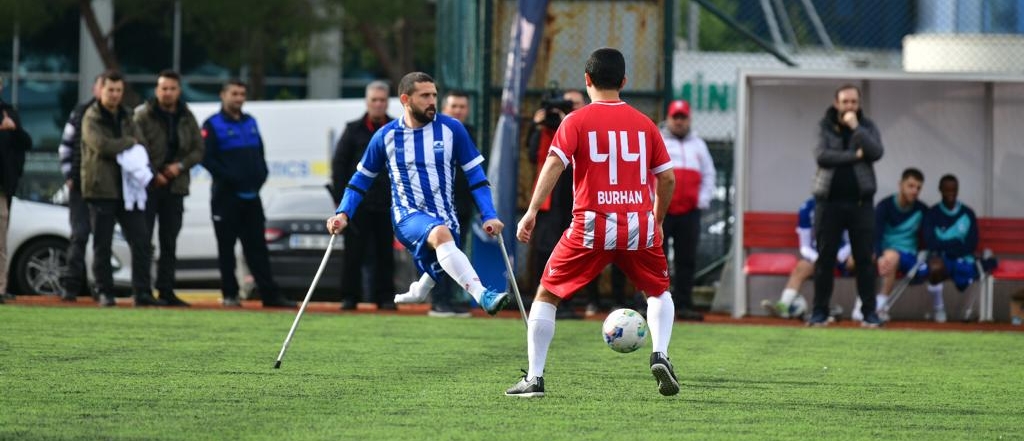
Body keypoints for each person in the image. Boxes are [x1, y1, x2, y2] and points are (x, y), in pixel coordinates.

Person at [508, 47, 679, 398]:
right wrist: (657, 219)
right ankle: (660, 353)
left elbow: (554, 164)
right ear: (624, 81)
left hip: (591, 224)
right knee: (658, 291)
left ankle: (535, 378)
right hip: (638, 225)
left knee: (547, 294)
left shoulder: (576, 121)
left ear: (587, 80)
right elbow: (668, 179)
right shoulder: (645, 123)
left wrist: (532, 211)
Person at [326, 72, 510, 318]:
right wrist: (343, 213)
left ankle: (421, 286)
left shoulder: (452, 129)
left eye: (434, 94)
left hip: (446, 216)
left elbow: (476, 176)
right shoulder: (385, 136)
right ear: (406, 99)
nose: (432, 100)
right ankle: (483, 295)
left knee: (445, 248)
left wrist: (489, 214)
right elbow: (360, 181)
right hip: (407, 217)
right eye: (424, 96)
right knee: (441, 237)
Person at [202, 79, 296, 308]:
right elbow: (207, 159)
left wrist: (261, 175)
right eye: (234, 93)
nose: (239, 98)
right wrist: (230, 179)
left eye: (242, 94)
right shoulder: (212, 125)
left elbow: (259, 153)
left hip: (252, 197)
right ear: (223, 95)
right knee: (226, 249)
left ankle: (269, 296)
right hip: (226, 198)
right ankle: (230, 295)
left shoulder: (250, 122)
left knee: (257, 249)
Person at [80, 70, 160, 307]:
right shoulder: (91, 116)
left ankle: (142, 292)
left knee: (141, 240)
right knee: (102, 243)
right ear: (100, 90)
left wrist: (129, 144)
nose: (114, 95)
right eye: (110, 90)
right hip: (101, 188)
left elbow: (142, 143)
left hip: (130, 190)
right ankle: (104, 291)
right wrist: (127, 143)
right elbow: (102, 146)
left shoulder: (128, 116)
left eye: (118, 90)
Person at [810, 83, 884, 327]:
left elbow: (876, 152)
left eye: (853, 102)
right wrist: (854, 156)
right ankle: (820, 312)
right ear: (836, 103)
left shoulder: (867, 127)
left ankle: (869, 313)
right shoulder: (824, 126)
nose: (849, 106)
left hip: (860, 204)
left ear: (858, 104)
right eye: (845, 102)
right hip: (828, 204)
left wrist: (856, 128)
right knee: (825, 259)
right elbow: (822, 156)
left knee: (864, 259)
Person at [134, 70, 204, 307]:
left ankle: (166, 290)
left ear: (178, 90)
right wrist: (154, 174)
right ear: (157, 90)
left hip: (176, 187)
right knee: (143, 241)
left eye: (172, 88)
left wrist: (178, 167)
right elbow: (136, 147)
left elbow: (198, 149)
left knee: (169, 242)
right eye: (164, 88)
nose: (168, 92)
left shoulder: (186, 115)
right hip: (147, 187)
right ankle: (142, 291)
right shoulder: (142, 115)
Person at [330, 80, 396, 311]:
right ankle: (350, 297)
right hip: (359, 206)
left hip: (387, 204)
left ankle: (385, 297)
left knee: (385, 254)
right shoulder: (352, 130)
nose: (378, 104)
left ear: (387, 102)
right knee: (353, 254)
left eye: (382, 100)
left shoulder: (396, 129)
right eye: (374, 100)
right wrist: (342, 203)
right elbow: (339, 165)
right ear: (367, 102)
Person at [525, 88, 588, 320]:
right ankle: (543, 301)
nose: (569, 108)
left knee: (575, 251)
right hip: (551, 199)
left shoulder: (587, 126)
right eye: (566, 104)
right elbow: (533, 154)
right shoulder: (547, 128)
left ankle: (568, 302)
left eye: (575, 104)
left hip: (577, 198)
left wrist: (567, 124)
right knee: (545, 248)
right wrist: (537, 125)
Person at [659, 99, 716, 321]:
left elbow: (709, 174)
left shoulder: (699, 145)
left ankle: (683, 303)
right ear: (669, 118)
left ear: (689, 119)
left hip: (689, 212)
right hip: (662, 211)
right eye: (676, 117)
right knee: (657, 259)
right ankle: (657, 303)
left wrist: (702, 200)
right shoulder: (659, 141)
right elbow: (645, 174)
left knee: (686, 259)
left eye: (683, 117)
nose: (679, 122)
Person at [426, 89, 475, 317]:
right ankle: (438, 301)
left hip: (462, 206)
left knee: (457, 253)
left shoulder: (469, 133)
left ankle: (450, 299)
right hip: (437, 207)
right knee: (440, 253)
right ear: (445, 108)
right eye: (454, 106)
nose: (458, 110)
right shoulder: (431, 132)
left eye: (462, 106)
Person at [763, 197, 854, 319]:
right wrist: (818, 258)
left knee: (859, 262)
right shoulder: (807, 208)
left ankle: (863, 310)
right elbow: (804, 246)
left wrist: (838, 256)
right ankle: (784, 306)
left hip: (841, 255)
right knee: (802, 266)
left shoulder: (846, 207)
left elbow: (852, 241)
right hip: (818, 255)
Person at [57, 75, 102, 302]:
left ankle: (100, 287)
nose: (108, 92)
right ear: (96, 88)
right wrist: (69, 176)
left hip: (106, 188)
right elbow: (65, 147)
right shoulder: (80, 112)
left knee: (102, 240)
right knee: (79, 235)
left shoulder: (122, 116)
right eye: (103, 86)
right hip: (81, 186)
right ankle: (71, 286)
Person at [867, 167, 928, 322]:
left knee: (891, 257)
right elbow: (875, 236)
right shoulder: (884, 206)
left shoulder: (922, 210)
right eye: (911, 186)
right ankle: (866, 305)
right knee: (865, 257)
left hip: (909, 256)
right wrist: (879, 256)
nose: (914, 191)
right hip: (884, 254)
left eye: (918, 188)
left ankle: (879, 307)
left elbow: (929, 239)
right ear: (900, 184)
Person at [922, 174, 979, 323]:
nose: (950, 194)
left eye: (954, 190)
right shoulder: (932, 213)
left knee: (969, 268)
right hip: (941, 258)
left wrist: (951, 249)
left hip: (963, 258)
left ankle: (973, 314)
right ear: (940, 190)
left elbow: (971, 243)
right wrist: (955, 244)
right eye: (947, 190)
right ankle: (938, 308)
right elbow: (931, 242)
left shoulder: (968, 213)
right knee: (935, 266)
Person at [0, 75, 34, 303]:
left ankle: (0, 288)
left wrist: (13, 129)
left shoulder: (8, 112)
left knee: (0, 240)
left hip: (3, 186)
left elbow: (26, 143)